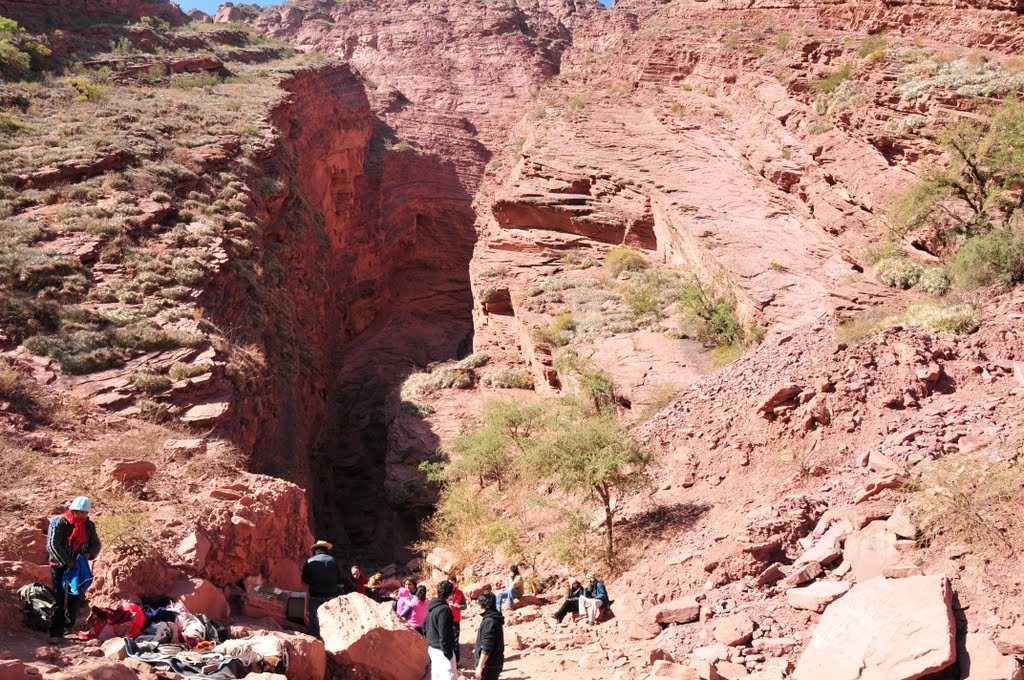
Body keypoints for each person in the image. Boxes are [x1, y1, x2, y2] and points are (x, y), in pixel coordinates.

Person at [47, 496, 101, 644]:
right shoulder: (58, 522)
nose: (82, 515)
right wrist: (67, 561)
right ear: (73, 510)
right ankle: (55, 632)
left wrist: (89, 554)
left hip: (77, 567)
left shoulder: (89, 525)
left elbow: (95, 543)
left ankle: (68, 625)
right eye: (79, 512)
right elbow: (52, 545)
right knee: (58, 598)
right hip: (58, 566)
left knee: (75, 596)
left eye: (85, 512)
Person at [301, 540, 342, 637]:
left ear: (315, 550)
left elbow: (305, 579)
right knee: (330, 617)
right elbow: (340, 577)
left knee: (315, 618)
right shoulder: (333, 560)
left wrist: (313, 582)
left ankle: (316, 639)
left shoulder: (309, 561)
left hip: (315, 594)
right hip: (331, 595)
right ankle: (331, 638)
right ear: (326, 549)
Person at [424, 580, 457, 680]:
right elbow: (444, 634)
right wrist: (448, 653)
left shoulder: (432, 607)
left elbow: (424, 626)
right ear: (451, 594)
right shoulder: (444, 609)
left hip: (432, 649)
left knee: (437, 676)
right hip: (442, 651)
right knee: (449, 677)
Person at [473, 591, 505, 680]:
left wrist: (480, 666)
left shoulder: (489, 621)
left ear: (483, 606)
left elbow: (487, 647)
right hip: (494, 663)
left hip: (489, 665)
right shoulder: (494, 617)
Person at [447, 575, 467, 665]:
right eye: (449, 584)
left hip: (455, 620)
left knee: (455, 641)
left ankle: (456, 662)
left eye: (453, 583)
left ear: (456, 583)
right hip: (445, 619)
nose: (451, 586)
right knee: (446, 640)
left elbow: (465, 606)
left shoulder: (460, 593)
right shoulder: (445, 592)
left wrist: (458, 606)